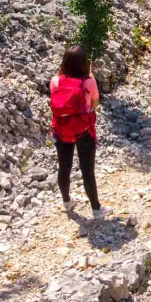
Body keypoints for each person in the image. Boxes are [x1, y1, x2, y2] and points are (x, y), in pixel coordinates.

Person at [49, 45, 110, 218]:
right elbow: (94, 104)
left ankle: (67, 202)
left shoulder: (55, 80)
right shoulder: (88, 82)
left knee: (64, 167)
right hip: (83, 130)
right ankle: (96, 209)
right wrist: (91, 76)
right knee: (87, 170)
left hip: (61, 129)